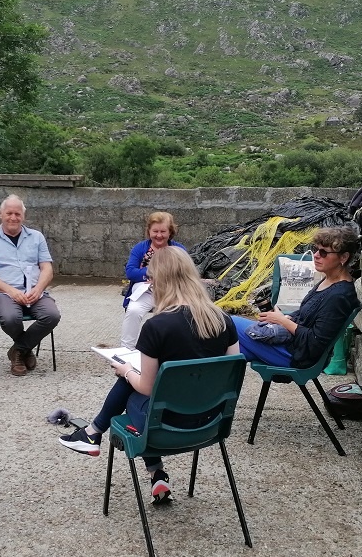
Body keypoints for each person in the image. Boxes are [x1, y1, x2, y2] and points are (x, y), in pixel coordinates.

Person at [59, 247, 240, 503]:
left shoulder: (157, 326)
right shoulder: (224, 320)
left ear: (161, 281)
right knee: (153, 397)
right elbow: (231, 372)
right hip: (212, 423)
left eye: (151, 279)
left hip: (165, 428)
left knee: (135, 388)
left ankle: (93, 432)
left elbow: (145, 387)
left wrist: (127, 371)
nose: (149, 285)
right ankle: (155, 474)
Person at [230, 226, 361, 369]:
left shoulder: (338, 296)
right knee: (230, 349)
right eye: (316, 249)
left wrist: (281, 321)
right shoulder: (329, 281)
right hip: (292, 346)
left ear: (343, 257)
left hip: (296, 355)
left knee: (226, 322)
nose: (316, 255)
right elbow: (305, 314)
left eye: (323, 252)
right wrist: (286, 318)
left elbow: (314, 343)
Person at [0, 194, 61, 376]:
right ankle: (25, 349)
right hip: (4, 294)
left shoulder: (37, 237)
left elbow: (47, 269)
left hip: (35, 293)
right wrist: (11, 291)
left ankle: (18, 350)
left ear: (23, 215)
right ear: (0, 214)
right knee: (9, 317)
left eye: (17, 213)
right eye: (9, 213)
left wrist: (38, 289)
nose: (13, 217)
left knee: (52, 315)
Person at [119, 211, 185, 349]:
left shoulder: (179, 249)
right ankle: (126, 350)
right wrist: (155, 273)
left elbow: (185, 273)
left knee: (175, 316)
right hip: (146, 292)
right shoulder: (140, 248)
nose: (159, 235)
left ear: (170, 232)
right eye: (155, 231)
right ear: (149, 231)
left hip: (172, 292)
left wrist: (160, 276)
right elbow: (131, 272)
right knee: (133, 311)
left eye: (163, 231)